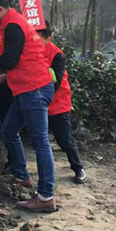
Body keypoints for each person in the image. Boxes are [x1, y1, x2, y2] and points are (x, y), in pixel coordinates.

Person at [0, 0, 57, 213]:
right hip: (25, 88)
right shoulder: (9, 24)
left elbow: (9, 59)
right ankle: (22, 176)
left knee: (40, 141)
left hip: (35, 88)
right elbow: (18, 60)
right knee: (8, 131)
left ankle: (46, 195)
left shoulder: (14, 26)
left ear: (0, 9)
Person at [37, 20, 87, 184]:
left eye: (38, 37)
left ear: (48, 38)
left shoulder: (57, 55)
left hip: (57, 103)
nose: (34, 40)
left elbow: (56, 83)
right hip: (36, 103)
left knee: (64, 139)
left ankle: (78, 168)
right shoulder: (27, 52)